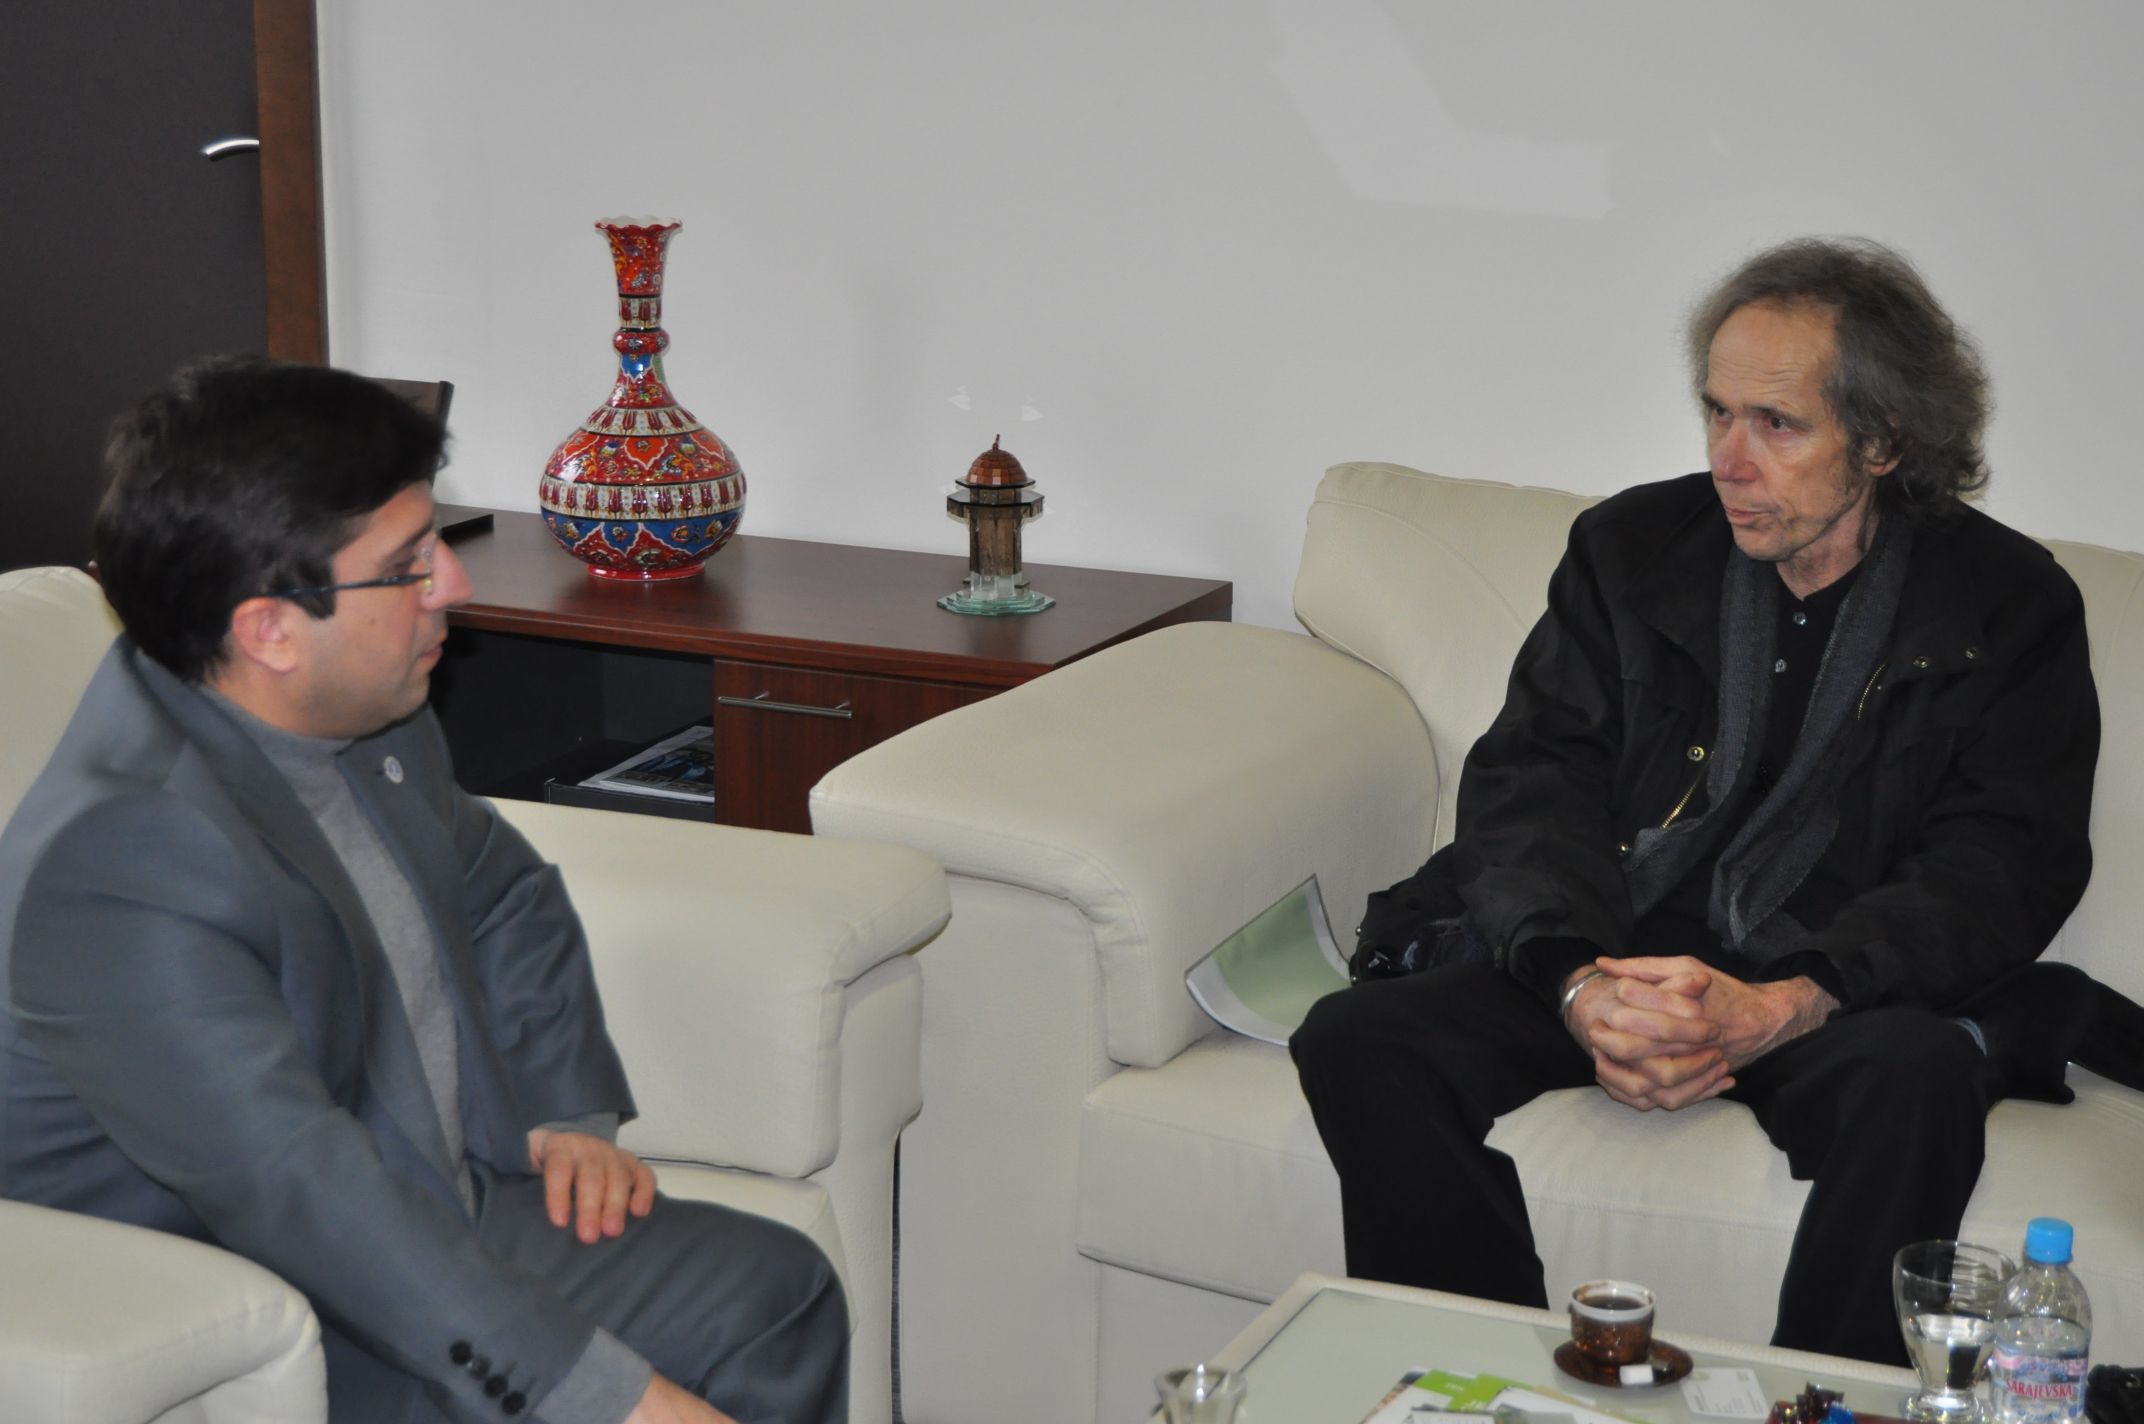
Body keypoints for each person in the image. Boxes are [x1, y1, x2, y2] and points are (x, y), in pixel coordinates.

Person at [1291, 237, 2103, 1364]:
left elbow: (2001, 861)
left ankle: (1820, 1403)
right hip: (1616, 949)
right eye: (1717, 413)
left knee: (1919, 1082)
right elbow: (1532, 777)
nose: (1729, 458)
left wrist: (1788, 1000)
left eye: (1776, 424)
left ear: (1881, 440)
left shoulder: (2005, 604)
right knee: (1356, 1037)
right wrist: (1579, 983)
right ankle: (1477, 1382)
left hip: (1825, 986)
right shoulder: (1630, 549)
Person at [0, 359, 847, 1424]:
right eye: (406, 566)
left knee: (772, 1292)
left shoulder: (364, 715)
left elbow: (504, 894)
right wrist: (621, 1400)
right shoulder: (124, 865)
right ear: (268, 629)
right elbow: (299, 1188)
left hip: (420, 1195)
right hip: (257, 1295)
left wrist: (557, 1107)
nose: (454, 585)